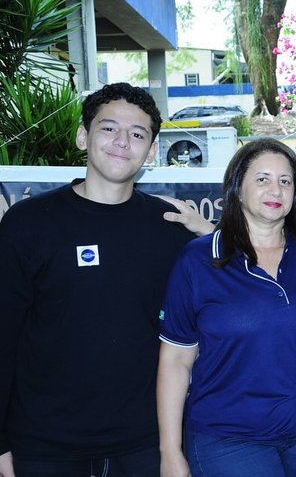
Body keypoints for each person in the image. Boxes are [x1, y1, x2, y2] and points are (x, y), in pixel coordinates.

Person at [0, 83, 212, 476]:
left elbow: (247, 274)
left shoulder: (170, 229)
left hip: (143, 445)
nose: (122, 142)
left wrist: (208, 232)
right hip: (45, 448)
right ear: (83, 136)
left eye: (137, 134)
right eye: (109, 128)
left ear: (151, 151)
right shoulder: (28, 224)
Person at [157, 138, 296, 477]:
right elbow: (175, 360)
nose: (275, 190)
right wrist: (170, 452)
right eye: (262, 179)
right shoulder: (199, 260)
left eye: (285, 181)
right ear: (237, 188)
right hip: (229, 438)